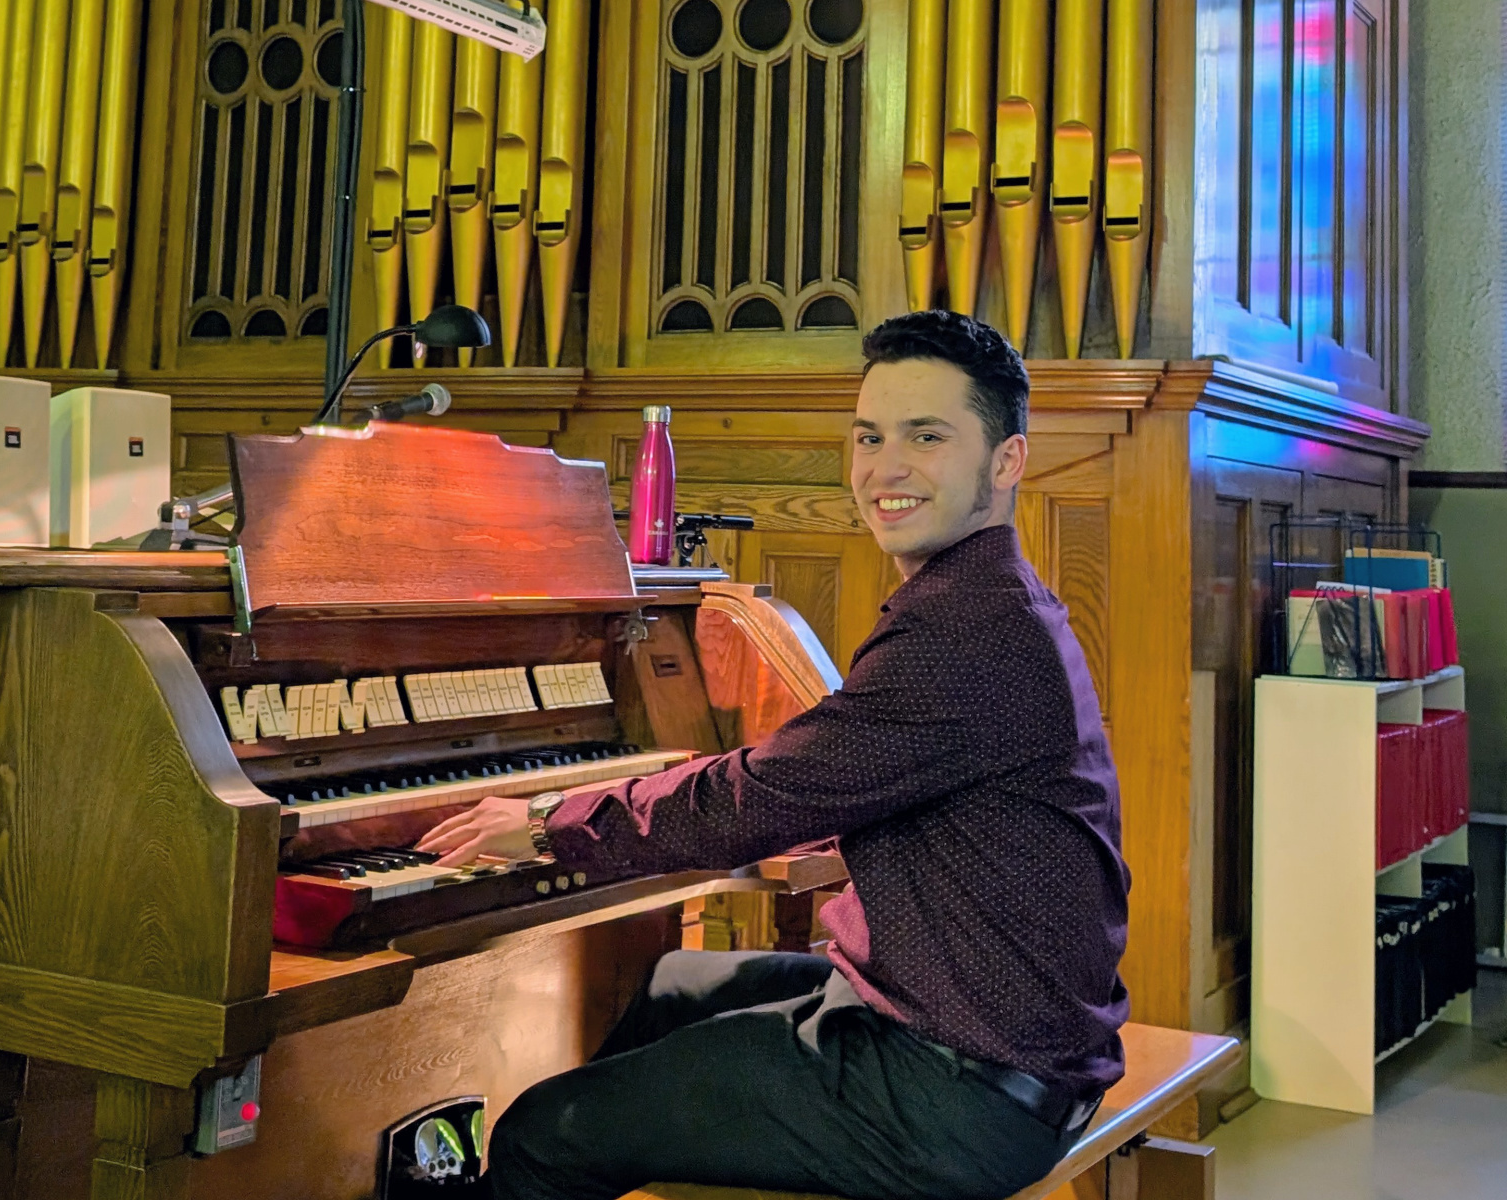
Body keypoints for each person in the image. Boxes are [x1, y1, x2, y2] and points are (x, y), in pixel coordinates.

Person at [417, 310, 1131, 1200]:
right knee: (671, 982)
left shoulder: (963, 632)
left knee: (541, 1132)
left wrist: (544, 820)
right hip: (981, 1025)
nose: (885, 467)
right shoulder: (984, 596)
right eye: (870, 436)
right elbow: (827, 780)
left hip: (959, 1090)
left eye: (927, 436)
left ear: (1007, 460)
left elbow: (753, 798)